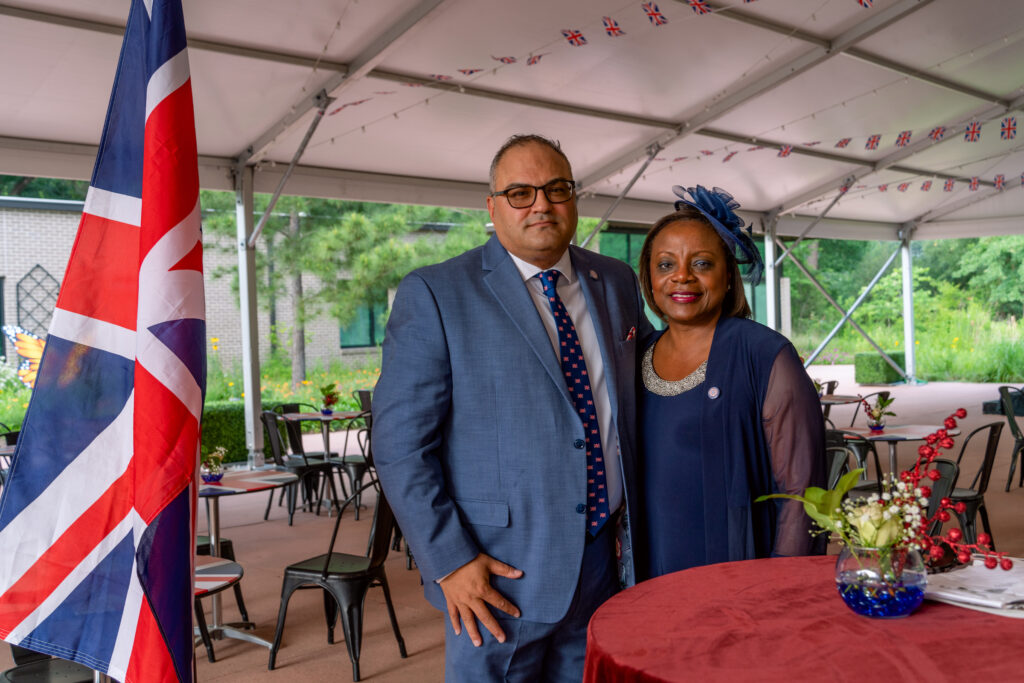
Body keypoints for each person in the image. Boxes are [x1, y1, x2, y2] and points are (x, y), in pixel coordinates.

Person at [372, 134, 654, 681]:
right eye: (520, 192)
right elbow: (401, 446)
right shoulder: (435, 292)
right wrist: (449, 560)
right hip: (496, 572)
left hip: (604, 558)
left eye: (556, 189)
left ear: (574, 198)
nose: (541, 204)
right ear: (493, 206)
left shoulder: (614, 281)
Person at [636, 185, 826, 579]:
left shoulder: (765, 354)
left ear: (727, 275)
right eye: (666, 265)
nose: (682, 276)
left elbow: (802, 490)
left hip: (737, 572)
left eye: (702, 263)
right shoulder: (634, 355)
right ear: (649, 279)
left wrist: (783, 582)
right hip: (649, 566)